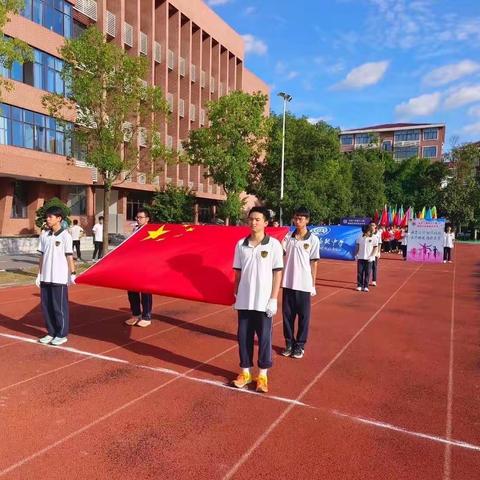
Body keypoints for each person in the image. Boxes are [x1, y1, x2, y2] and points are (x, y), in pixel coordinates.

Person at [232, 207, 283, 393]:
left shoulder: (274, 245)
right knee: (243, 337)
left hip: (264, 302)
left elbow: (277, 274)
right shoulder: (240, 245)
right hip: (245, 300)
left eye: (258, 219)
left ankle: (262, 375)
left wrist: (273, 299)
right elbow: (237, 273)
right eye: (251, 219)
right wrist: (236, 294)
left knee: (264, 338)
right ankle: (245, 372)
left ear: (265, 223)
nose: (254, 222)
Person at [281, 207, 320, 359]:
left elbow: (314, 263)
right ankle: (289, 343)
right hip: (288, 283)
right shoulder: (288, 238)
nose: (298, 221)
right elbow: (279, 251)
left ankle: (300, 345)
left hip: (303, 284)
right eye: (296, 218)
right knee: (287, 316)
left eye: (301, 219)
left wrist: (313, 284)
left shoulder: (313, 239)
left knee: (304, 317)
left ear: (307, 220)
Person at [36, 206, 76, 346]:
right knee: (46, 307)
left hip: (59, 278)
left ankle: (61, 334)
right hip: (45, 277)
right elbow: (41, 256)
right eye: (47, 217)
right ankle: (51, 332)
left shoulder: (66, 236)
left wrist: (72, 273)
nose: (47, 219)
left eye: (50, 217)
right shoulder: (44, 236)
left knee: (59, 307)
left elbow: (69, 256)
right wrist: (39, 273)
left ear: (59, 218)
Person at [125, 208, 154, 327]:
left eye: (140, 217)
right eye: (137, 217)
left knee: (145, 291)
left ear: (147, 219)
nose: (138, 219)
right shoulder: (135, 229)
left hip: (146, 266)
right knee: (131, 290)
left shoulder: (152, 231)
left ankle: (146, 316)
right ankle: (135, 314)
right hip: (134, 265)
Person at [355, 224, 378, 292]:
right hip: (361, 257)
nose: (366, 233)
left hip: (369, 258)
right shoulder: (360, 237)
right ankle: (359, 285)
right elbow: (357, 247)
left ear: (370, 231)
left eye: (367, 232)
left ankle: (366, 286)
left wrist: (372, 256)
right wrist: (356, 254)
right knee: (359, 272)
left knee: (367, 273)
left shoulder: (374, 238)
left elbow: (375, 248)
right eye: (365, 232)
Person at [369, 222, 381, 287]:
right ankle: (366, 279)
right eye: (371, 225)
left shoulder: (378, 233)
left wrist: (379, 252)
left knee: (374, 267)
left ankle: (374, 280)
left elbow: (379, 243)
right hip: (368, 252)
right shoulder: (368, 233)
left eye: (373, 225)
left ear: (375, 226)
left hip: (375, 253)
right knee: (368, 267)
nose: (372, 226)